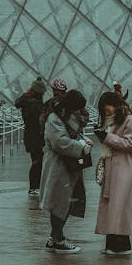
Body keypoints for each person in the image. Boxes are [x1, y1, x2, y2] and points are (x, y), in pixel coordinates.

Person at [40, 89, 93, 254]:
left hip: (69, 165)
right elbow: (59, 142)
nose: (79, 111)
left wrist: (83, 140)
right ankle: (58, 240)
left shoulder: (64, 116)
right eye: (77, 108)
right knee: (59, 203)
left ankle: (54, 237)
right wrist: (81, 147)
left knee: (65, 202)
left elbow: (72, 135)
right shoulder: (54, 118)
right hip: (59, 167)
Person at [93, 91, 132, 256]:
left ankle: (121, 244)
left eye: (109, 108)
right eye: (104, 110)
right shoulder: (112, 121)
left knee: (119, 205)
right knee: (111, 204)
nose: (107, 112)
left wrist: (106, 136)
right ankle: (112, 242)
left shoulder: (130, 120)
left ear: (117, 105)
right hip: (112, 165)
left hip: (122, 168)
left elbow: (130, 143)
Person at [14, 78, 47, 196]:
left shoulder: (26, 100)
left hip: (29, 134)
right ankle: (34, 187)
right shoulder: (35, 103)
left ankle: (35, 186)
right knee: (37, 161)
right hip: (36, 136)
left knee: (36, 161)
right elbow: (39, 121)